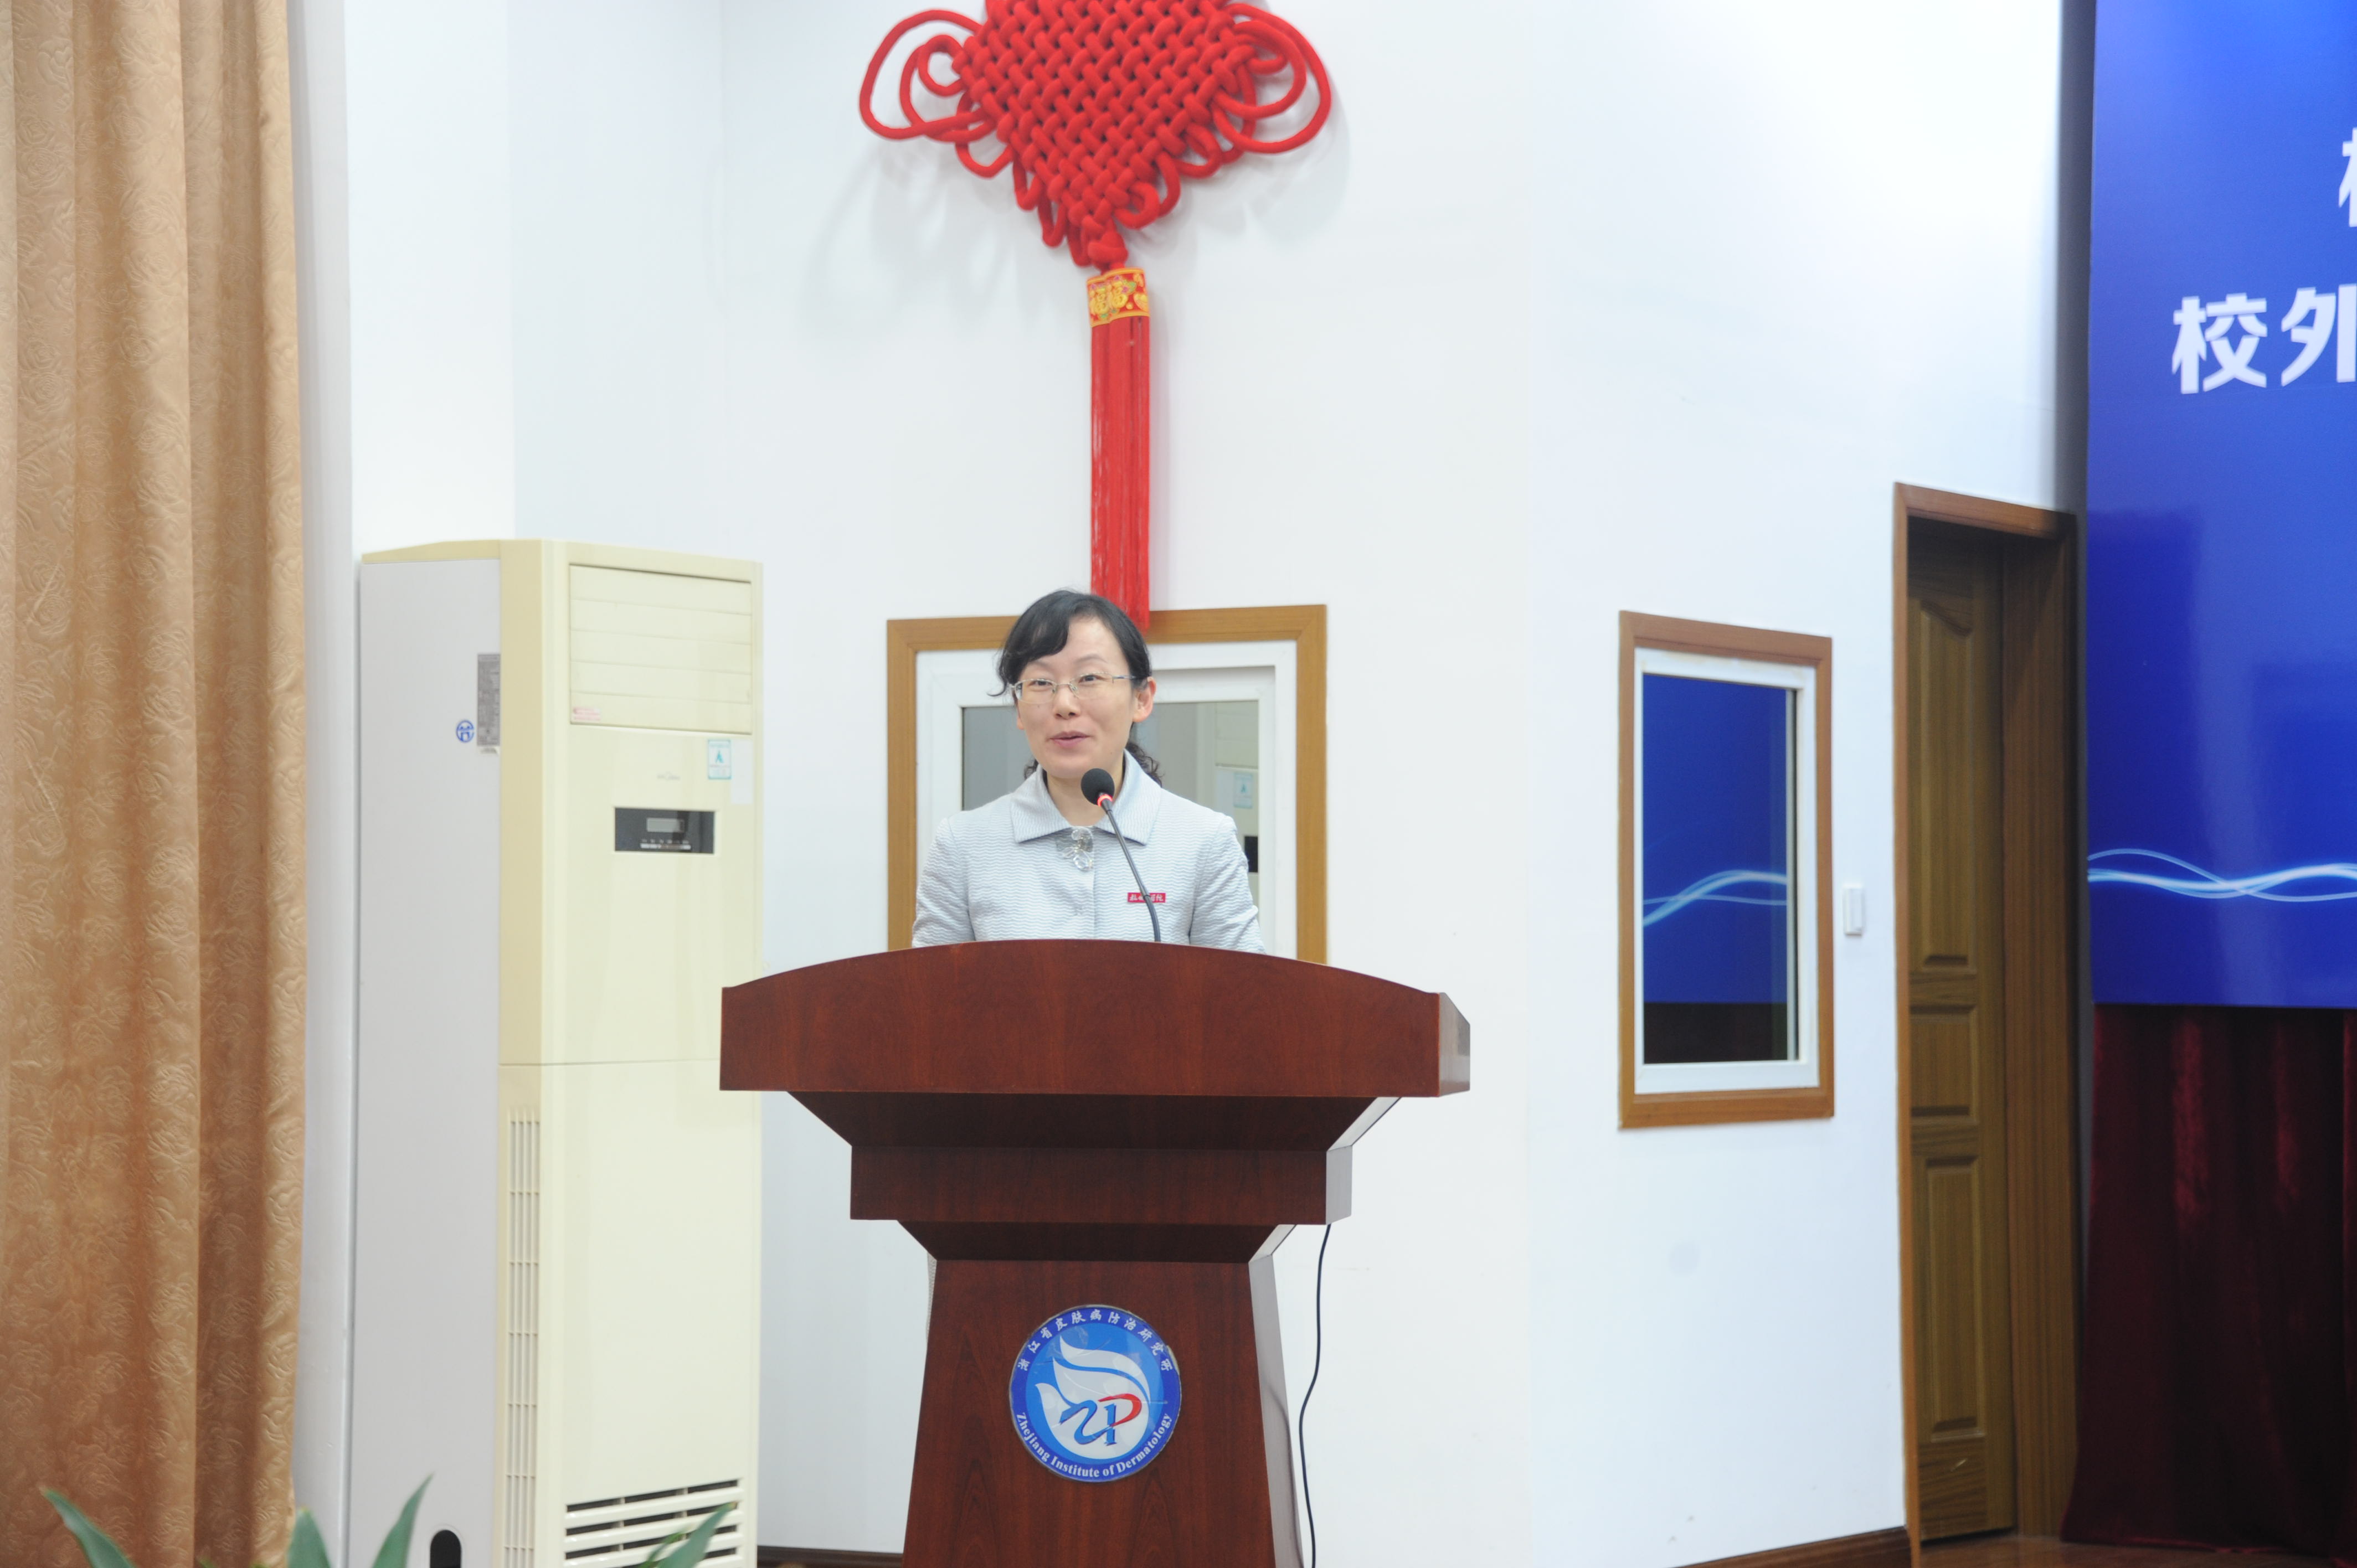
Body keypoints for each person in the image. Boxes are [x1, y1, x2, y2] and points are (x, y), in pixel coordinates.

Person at [913, 589, 1264, 950]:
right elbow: (932, 986)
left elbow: (1240, 985)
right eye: (1041, 683)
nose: (1064, 704)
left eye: (1090, 678)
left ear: (1142, 698)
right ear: (1018, 708)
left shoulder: (1204, 841)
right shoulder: (963, 845)